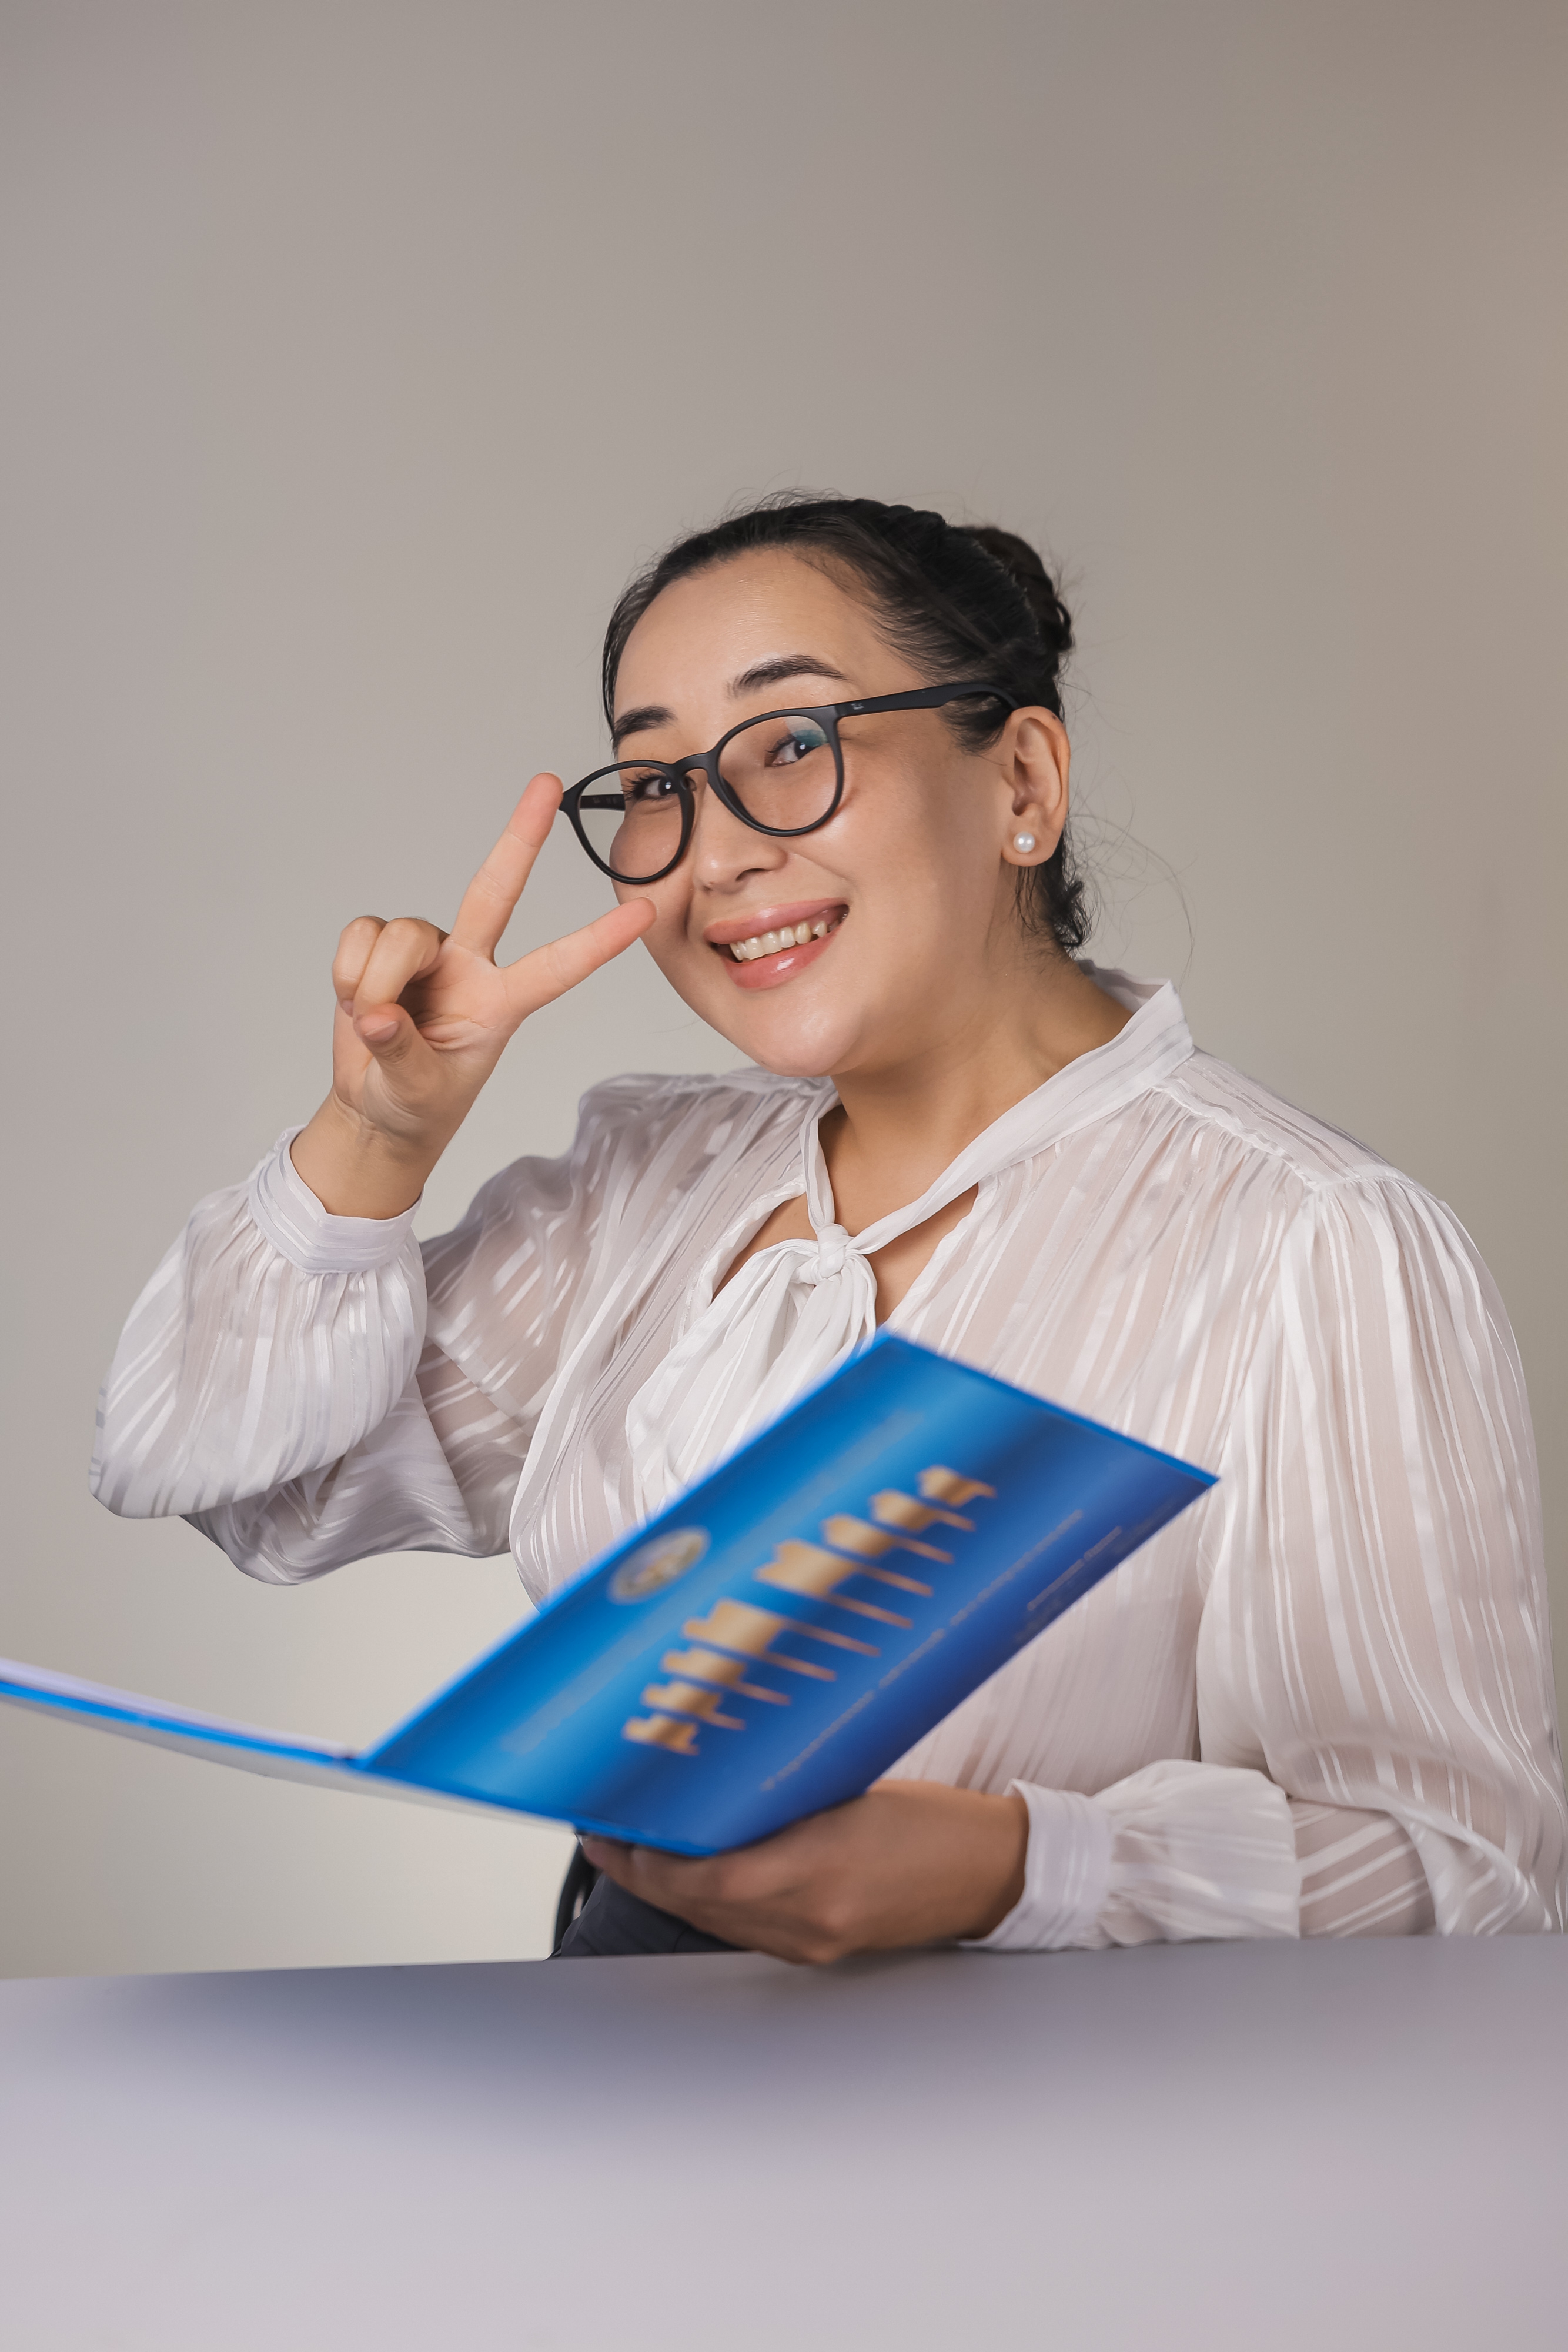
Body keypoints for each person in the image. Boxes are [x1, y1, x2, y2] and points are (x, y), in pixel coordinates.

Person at [92, 495, 1567, 1959]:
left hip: (1048, 2104)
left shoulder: (1314, 1242)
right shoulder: (647, 1178)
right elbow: (257, 1491)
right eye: (654, 783)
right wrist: (377, 1136)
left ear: (1021, 779)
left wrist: (1016, 1866)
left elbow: (1473, 1876)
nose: (713, 855)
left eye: (792, 742)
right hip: (613, 2055)